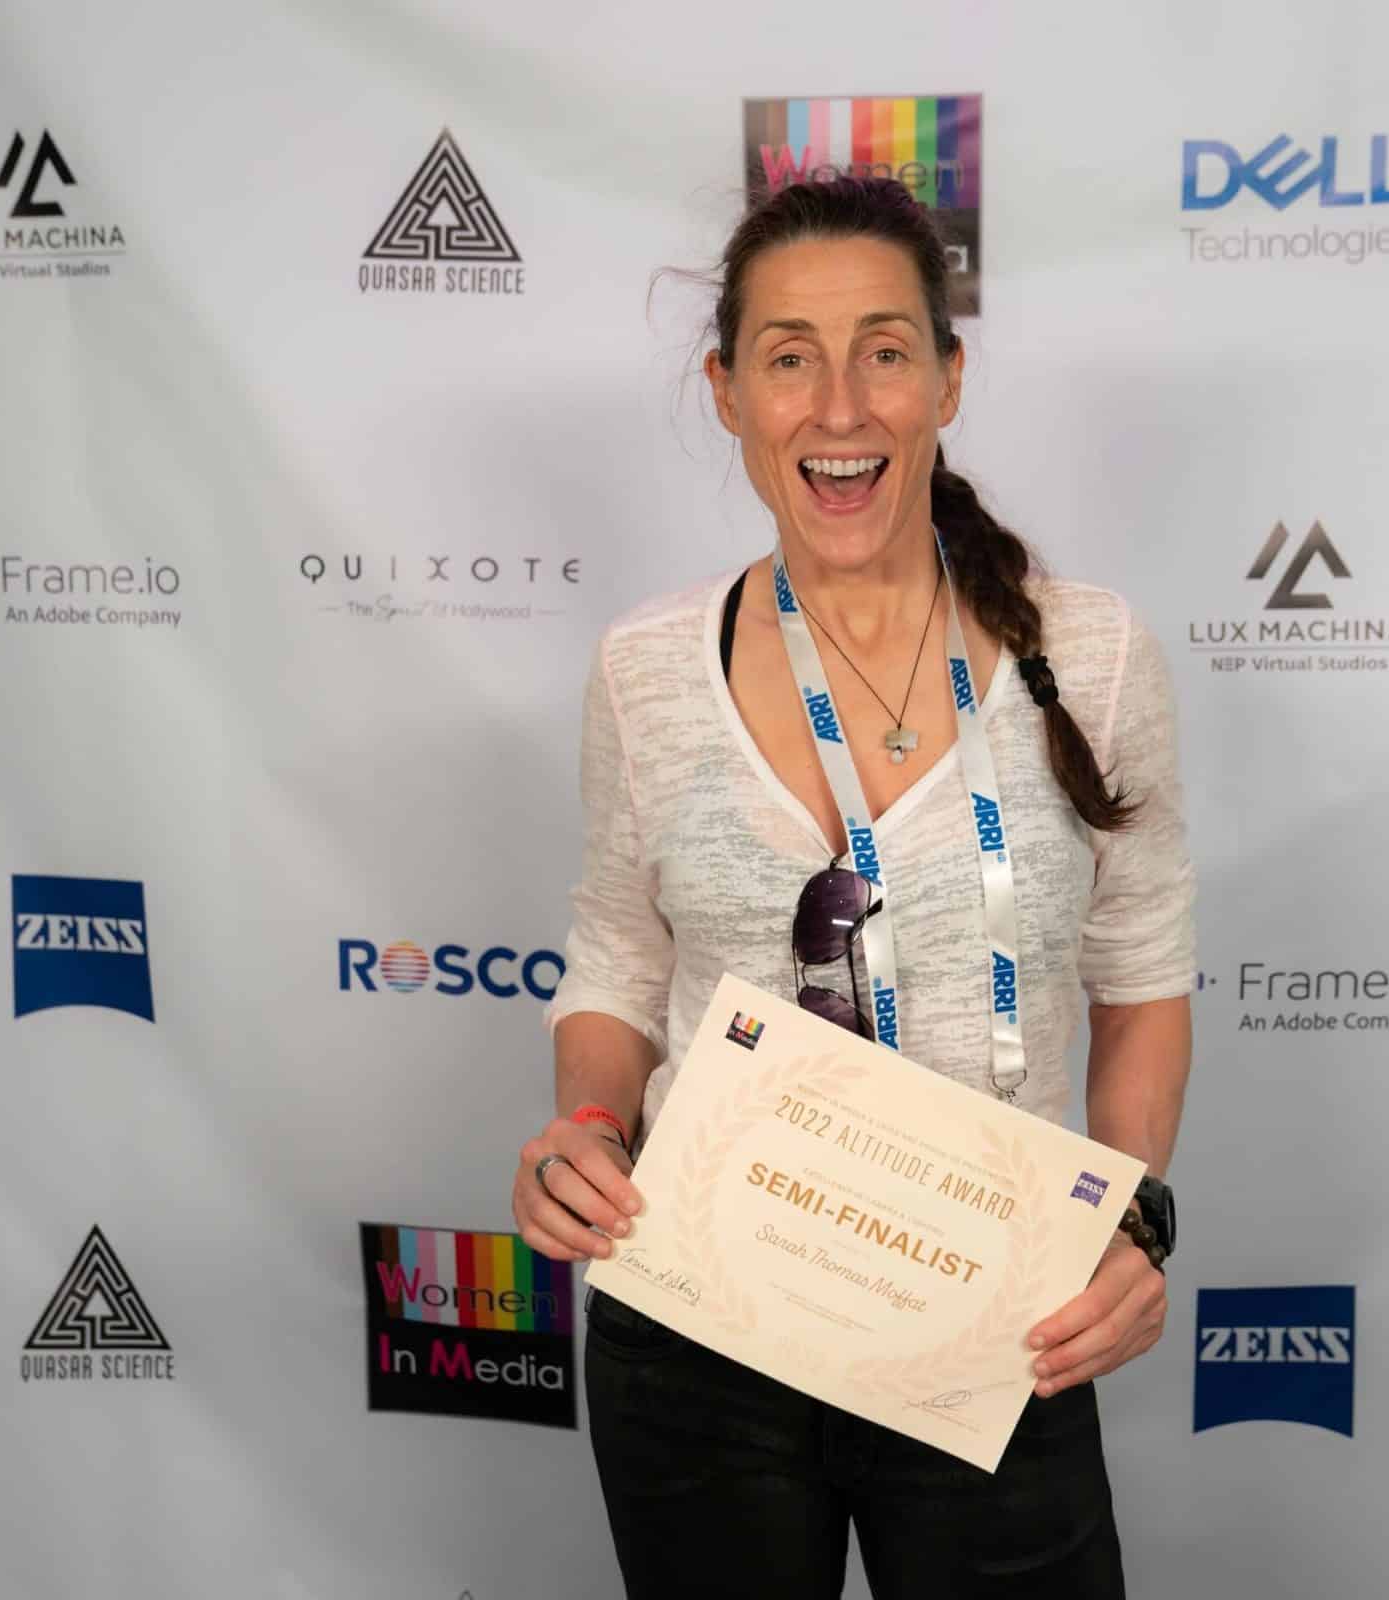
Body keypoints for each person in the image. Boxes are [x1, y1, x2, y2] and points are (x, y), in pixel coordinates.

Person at [509, 176, 1196, 1599]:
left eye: (884, 350)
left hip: (999, 1318)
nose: (840, 406)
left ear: (949, 379)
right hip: (701, 1324)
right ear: (727, 393)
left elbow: (1141, 976)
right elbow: (618, 959)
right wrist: (587, 1126)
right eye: (788, 358)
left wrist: (1127, 1221)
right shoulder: (647, 669)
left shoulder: (1094, 654)